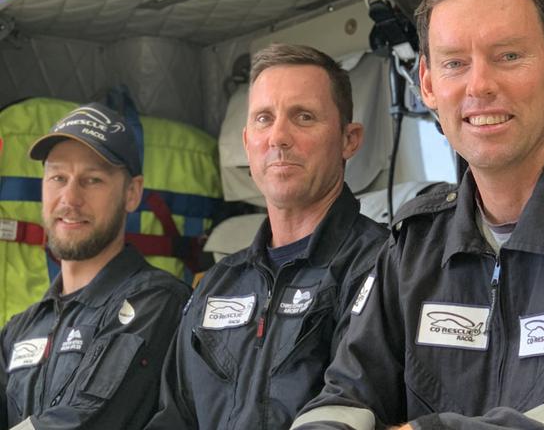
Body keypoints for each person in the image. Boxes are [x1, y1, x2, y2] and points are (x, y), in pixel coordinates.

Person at [291, 0, 544, 430]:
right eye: (455, 63)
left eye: (508, 56)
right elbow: (344, 394)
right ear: (428, 84)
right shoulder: (413, 245)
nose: (480, 85)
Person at [145, 44, 388, 429]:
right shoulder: (217, 284)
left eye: (303, 117)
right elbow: (174, 417)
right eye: (263, 119)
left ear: (349, 139)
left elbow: (356, 406)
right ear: (247, 143)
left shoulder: (383, 265)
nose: (278, 137)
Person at [0, 103, 191, 430]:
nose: (70, 198)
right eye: (58, 177)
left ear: (132, 193)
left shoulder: (157, 303)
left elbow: (89, 419)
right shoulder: (20, 329)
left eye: (92, 180)